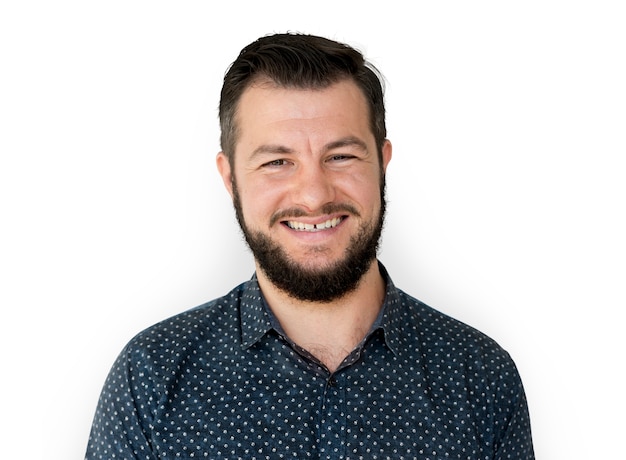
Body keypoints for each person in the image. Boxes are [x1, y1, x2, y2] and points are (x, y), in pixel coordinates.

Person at [86, 33, 534, 459]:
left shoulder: (480, 377)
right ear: (230, 178)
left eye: (340, 156)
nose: (314, 195)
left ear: (382, 163)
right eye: (277, 162)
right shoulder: (151, 376)